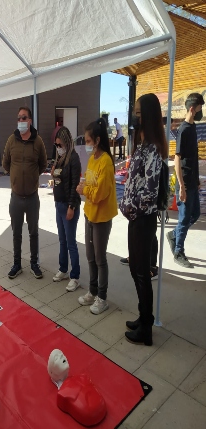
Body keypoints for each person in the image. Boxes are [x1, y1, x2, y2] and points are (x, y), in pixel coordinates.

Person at [119, 93, 168, 346]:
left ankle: (146, 328)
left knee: (141, 272)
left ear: (146, 116)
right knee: (136, 270)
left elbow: (148, 193)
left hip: (142, 219)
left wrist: (130, 209)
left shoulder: (153, 151)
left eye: (138, 113)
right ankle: (143, 316)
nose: (134, 117)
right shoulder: (143, 146)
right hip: (135, 218)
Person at [76, 118, 117, 314]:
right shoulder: (92, 160)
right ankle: (92, 291)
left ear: (98, 140)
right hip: (89, 214)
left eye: (88, 141)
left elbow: (100, 193)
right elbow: (87, 180)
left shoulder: (107, 163)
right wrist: (83, 186)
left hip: (101, 217)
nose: (86, 145)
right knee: (90, 256)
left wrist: (85, 190)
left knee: (100, 258)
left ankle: (102, 297)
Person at [2, 107, 47, 279]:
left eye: (24, 118)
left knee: (33, 232)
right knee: (16, 233)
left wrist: (32, 176)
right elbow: (6, 163)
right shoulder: (11, 141)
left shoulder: (38, 142)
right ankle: (17, 264)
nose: (21, 121)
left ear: (30, 121)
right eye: (19, 118)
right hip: (16, 197)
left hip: (32, 197)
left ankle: (34, 263)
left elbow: (43, 164)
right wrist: (15, 178)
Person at [166, 93, 204, 268]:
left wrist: (196, 179)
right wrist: (181, 186)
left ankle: (174, 235)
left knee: (194, 214)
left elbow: (193, 157)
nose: (201, 111)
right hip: (184, 183)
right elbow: (177, 159)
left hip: (192, 182)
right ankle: (178, 251)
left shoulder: (193, 127)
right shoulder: (183, 130)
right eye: (199, 108)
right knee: (183, 218)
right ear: (192, 108)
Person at [51, 126, 82, 291]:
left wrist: (71, 206)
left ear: (67, 143)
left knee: (71, 242)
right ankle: (63, 268)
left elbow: (73, 187)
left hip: (69, 205)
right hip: (59, 204)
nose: (58, 148)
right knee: (62, 240)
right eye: (56, 145)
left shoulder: (74, 159)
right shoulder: (59, 159)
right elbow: (58, 178)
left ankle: (75, 276)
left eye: (60, 145)